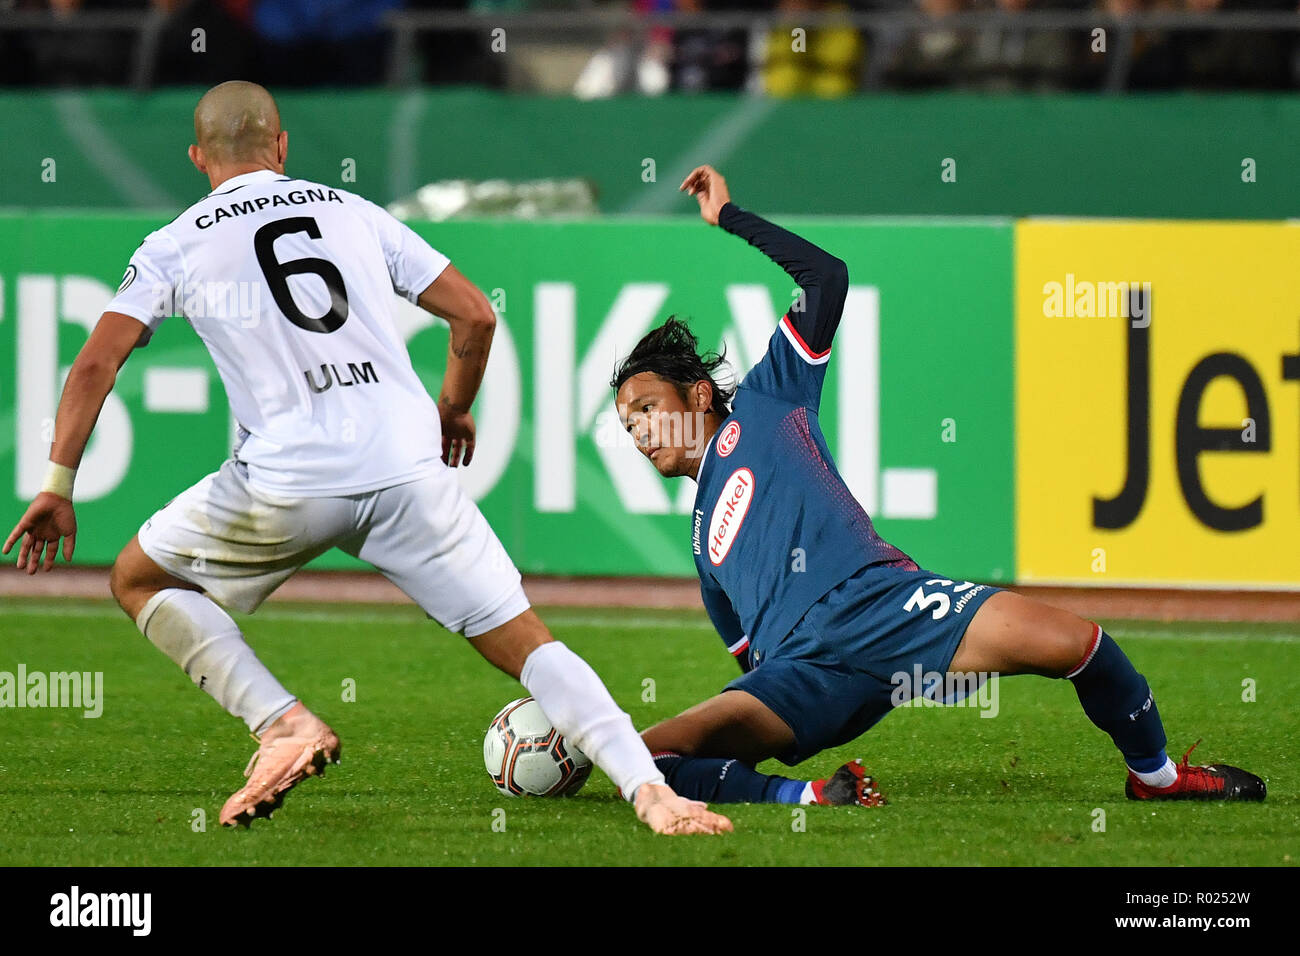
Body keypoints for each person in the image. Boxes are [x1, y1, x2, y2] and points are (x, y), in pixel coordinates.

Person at [2, 81, 731, 837]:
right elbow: (476, 315)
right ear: (282, 147)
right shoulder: (351, 211)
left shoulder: (174, 243)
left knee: (139, 578)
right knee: (526, 641)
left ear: (198, 158)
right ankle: (654, 795)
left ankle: (282, 723)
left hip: (285, 480)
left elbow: (94, 365)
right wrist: (452, 407)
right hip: (407, 468)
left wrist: (58, 483)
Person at [608, 164, 1266, 807]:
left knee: (1081, 645)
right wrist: (779, 713)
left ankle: (1158, 780)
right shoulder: (701, 545)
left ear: (697, 394)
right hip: (805, 674)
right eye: (625, 422)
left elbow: (825, 277)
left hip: (891, 607)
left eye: (646, 407)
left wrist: (729, 216)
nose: (637, 429)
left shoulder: (766, 399)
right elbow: (750, 668)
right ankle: (807, 796)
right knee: (644, 759)